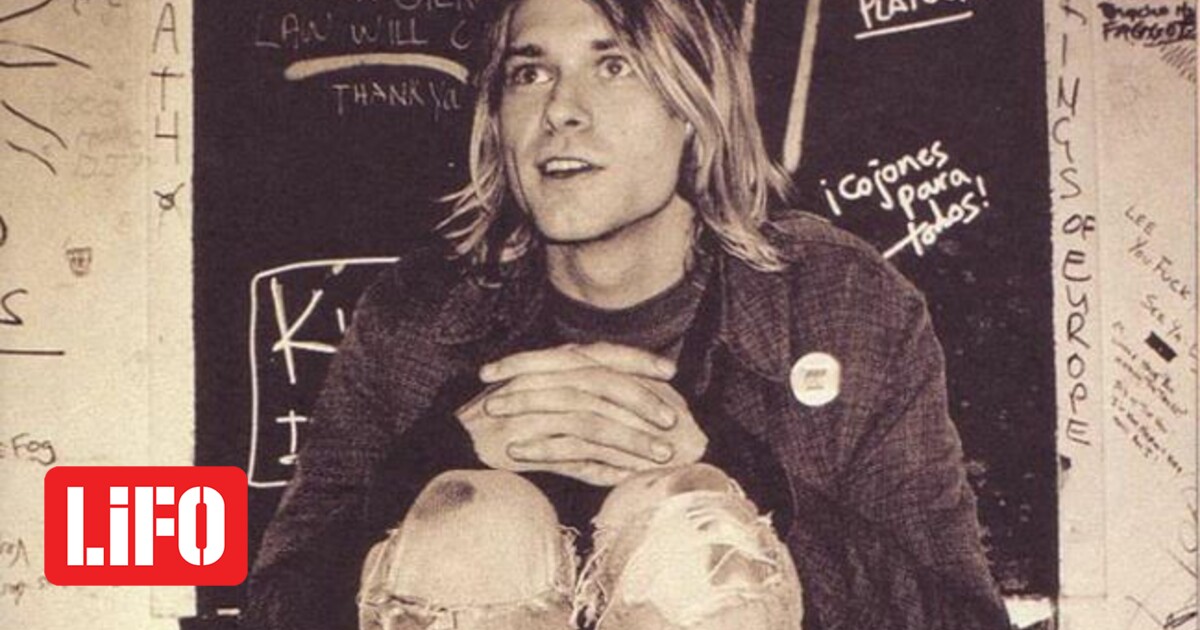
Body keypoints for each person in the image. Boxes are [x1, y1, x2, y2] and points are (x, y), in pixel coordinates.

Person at [244, 0, 1012, 628]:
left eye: (614, 66)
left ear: (694, 107)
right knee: (476, 521)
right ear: (496, 120)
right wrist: (434, 460)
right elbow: (273, 612)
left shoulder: (837, 304)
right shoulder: (417, 319)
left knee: (692, 529)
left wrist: (745, 477)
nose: (561, 111)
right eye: (529, 72)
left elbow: (958, 621)